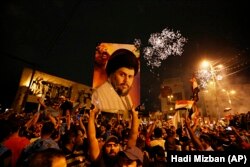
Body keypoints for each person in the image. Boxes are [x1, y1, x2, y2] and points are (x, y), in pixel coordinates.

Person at [92, 49, 139, 120]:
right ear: (111, 74)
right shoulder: (98, 96)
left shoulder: (125, 96)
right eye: (122, 75)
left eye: (130, 76)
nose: (126, 81)